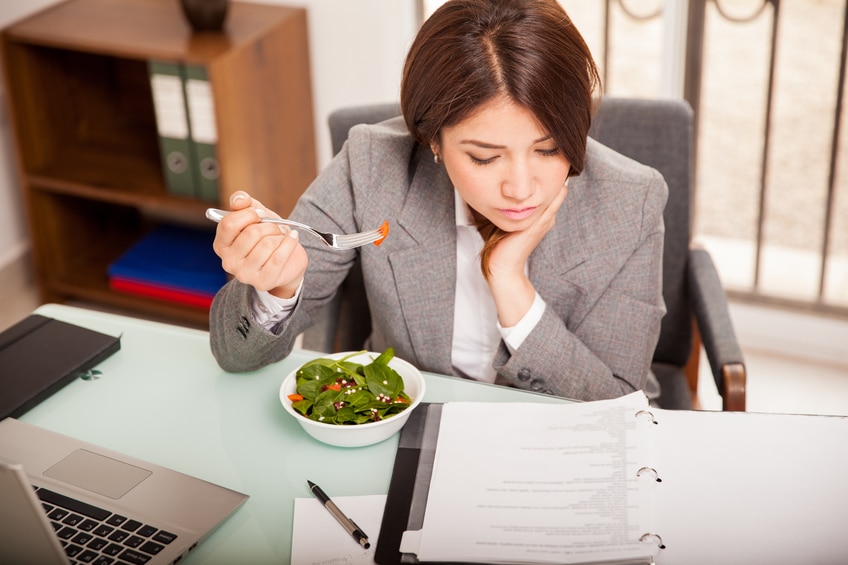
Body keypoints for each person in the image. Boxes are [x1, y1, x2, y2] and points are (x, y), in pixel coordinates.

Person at [208, 0, 667, 402]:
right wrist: (276, 290)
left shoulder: (631, 201)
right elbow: (235, 355)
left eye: (548, 150)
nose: (522, 188)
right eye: (485, 158)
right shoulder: (373, 165)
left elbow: (619, 405)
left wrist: (510, 283)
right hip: (407, 431)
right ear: (431, 140)